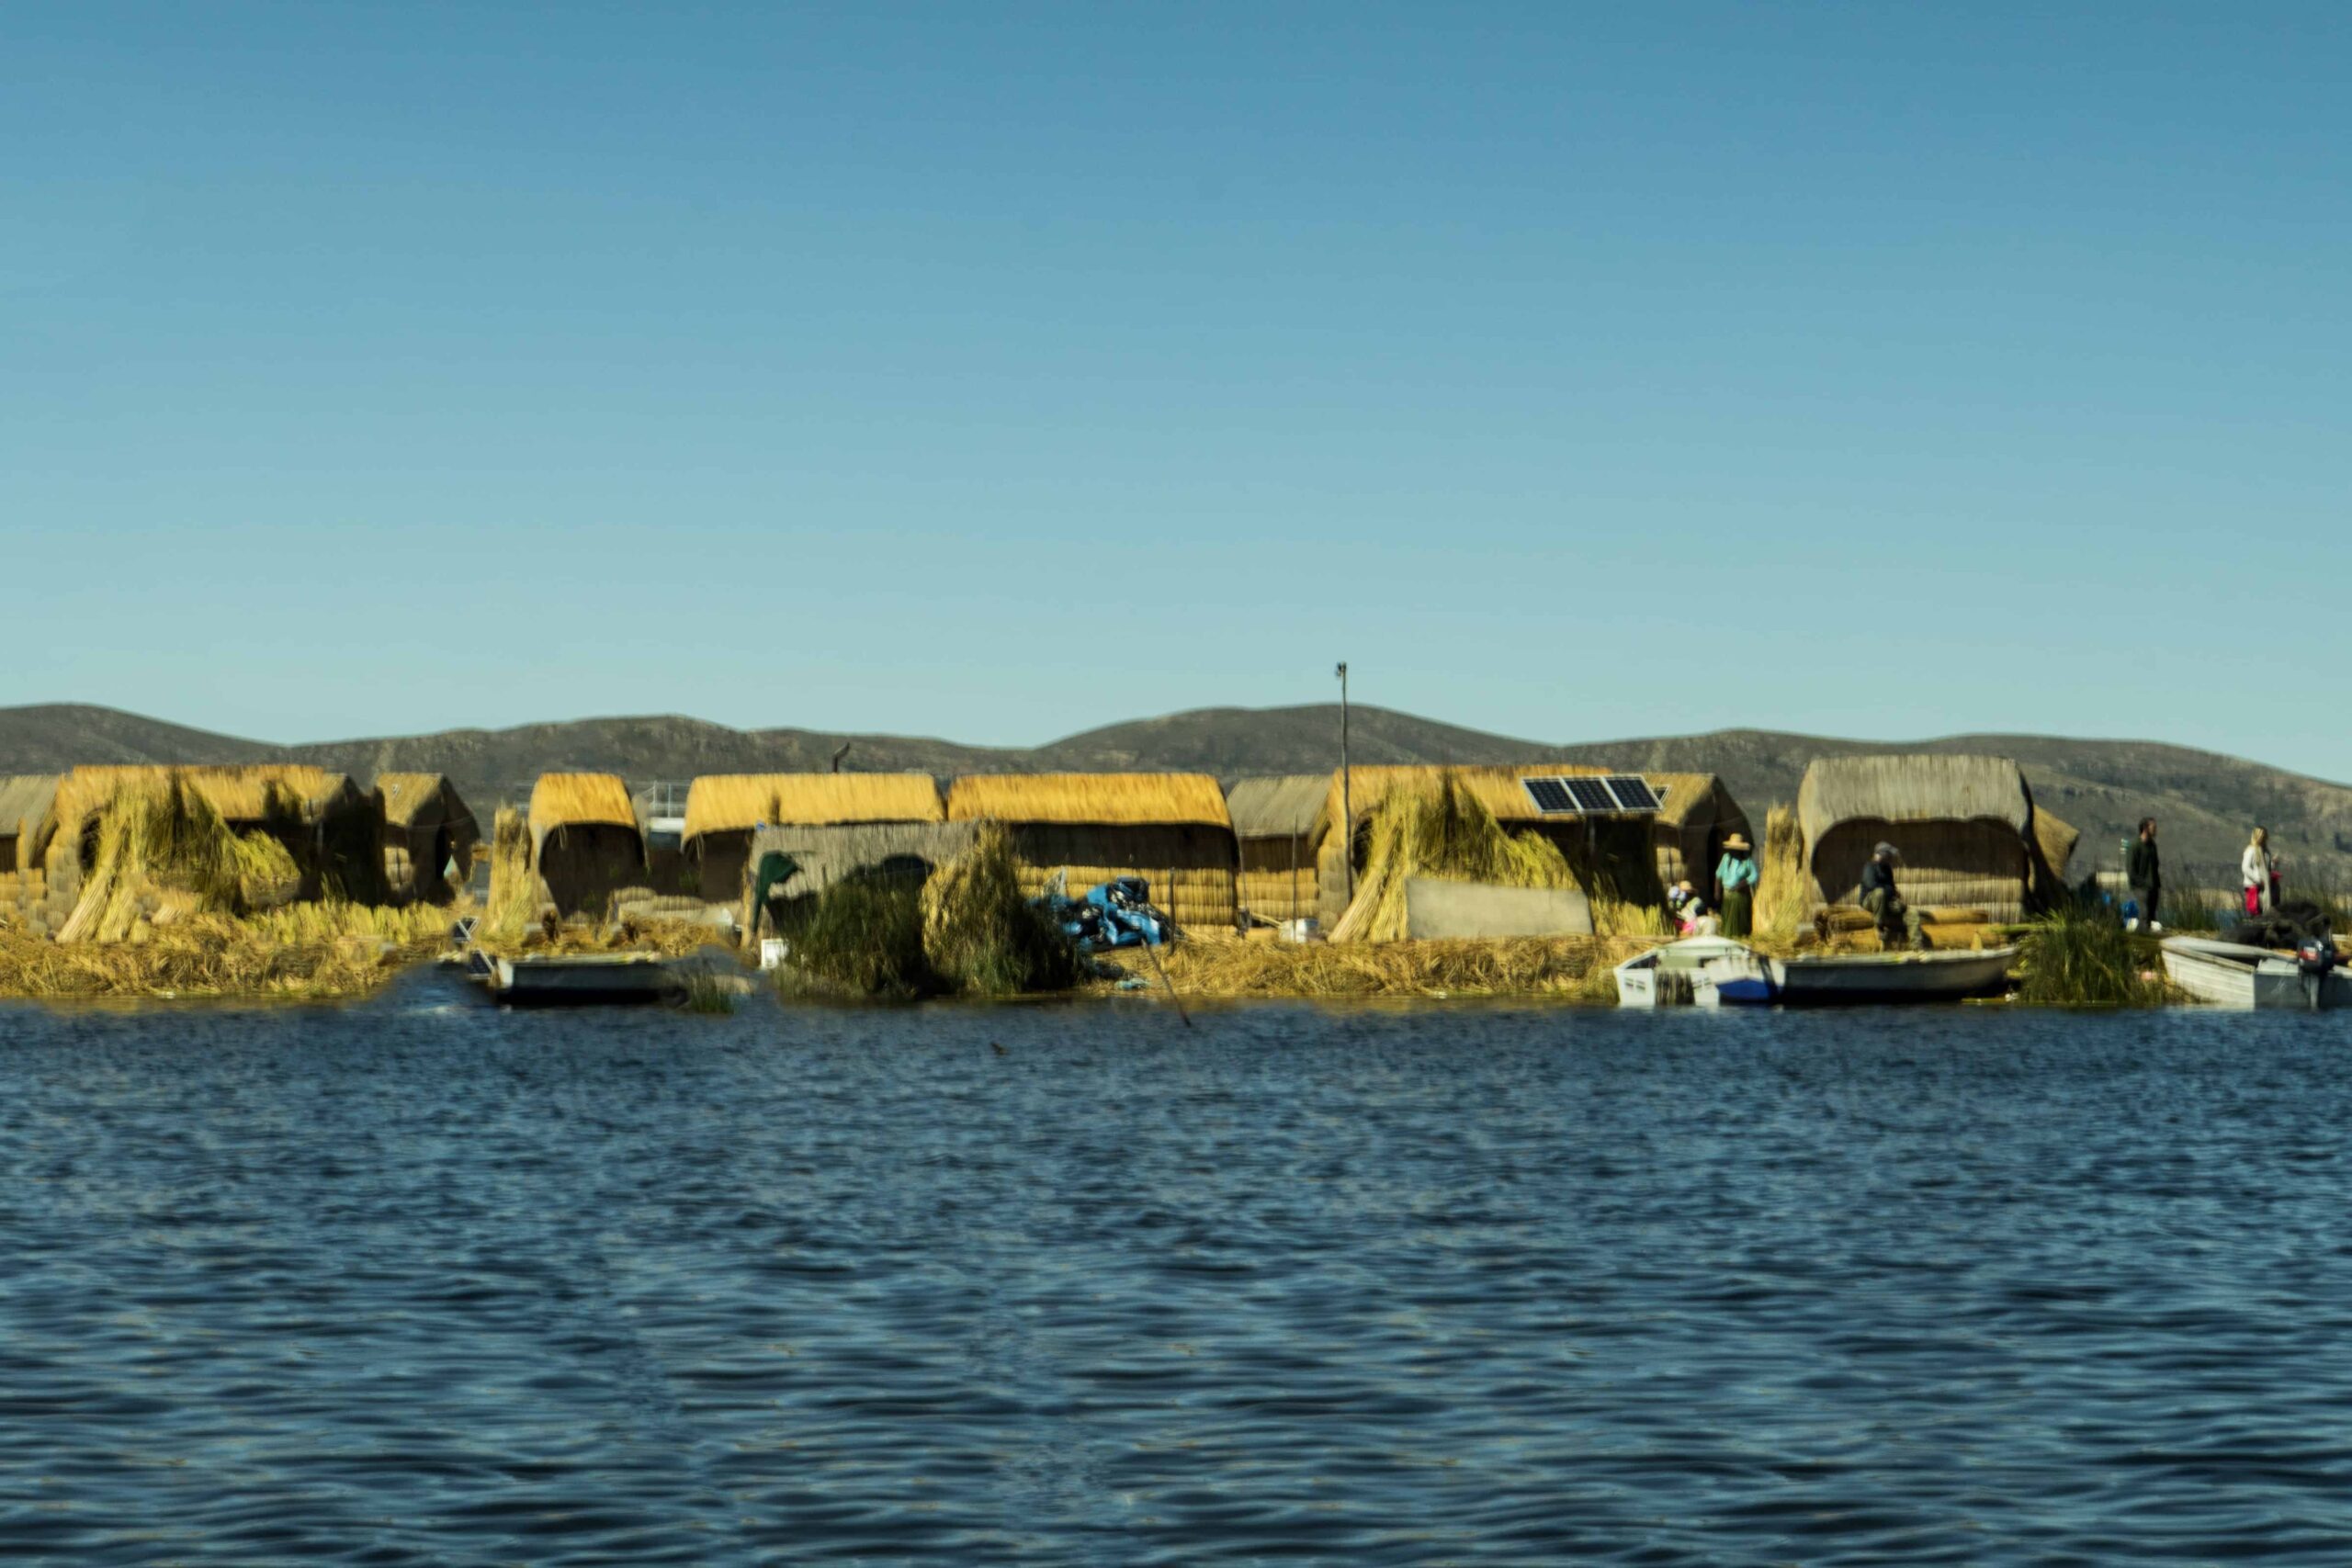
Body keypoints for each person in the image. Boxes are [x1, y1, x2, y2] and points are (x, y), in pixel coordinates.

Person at [1859, 840, 1927, 951]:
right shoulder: (1869, 867)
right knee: (1879, 892)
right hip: (1869, 900)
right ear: (1881, 854)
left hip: (1886, 901)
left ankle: (1916, 946)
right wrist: (1890, 890)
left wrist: (1897, 903)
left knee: (1911, 912)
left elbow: (1892, 888)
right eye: (1888, 855)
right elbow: (1872, 885)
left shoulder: (1887, 869)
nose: (1890, 858)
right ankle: (1879, 927)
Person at [1714, 832, 1759, 938]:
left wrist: (1743, 883)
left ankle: (1739, 935)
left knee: (1739, 918)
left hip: (1740, 895)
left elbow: (1754, 875)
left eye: (1735, 849)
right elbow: (1718, 874)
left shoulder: (1746, 861)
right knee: (1728, 917)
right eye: (1732, 849)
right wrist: (1717, 892)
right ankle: (1729, 934)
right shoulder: (1726, 858)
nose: (1733, 851)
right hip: (1727, 894)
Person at [2126, 818, 2162, 933]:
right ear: (2146, 828)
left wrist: (2156, 884)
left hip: (2153, 886)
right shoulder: (2134, 847)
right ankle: (2141, 936)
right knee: (2144, 913)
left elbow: (2155, 865)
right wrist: (2141, 883)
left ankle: (2142, 933)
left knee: (2151, 915)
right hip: (2140, 886)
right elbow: (2131, 870)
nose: (2155, 830)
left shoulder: (2152, 846)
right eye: (2153, 828)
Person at [2244, 827, 2276, 917]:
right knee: (2255, 910)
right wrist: (2258, 879)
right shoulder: (2251, 850)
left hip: (2265, 887)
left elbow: (2267, 868)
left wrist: (2273, 863)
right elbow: (2245, 868)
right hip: (2254, 886)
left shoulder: (2266, 852)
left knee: (2265, 909)